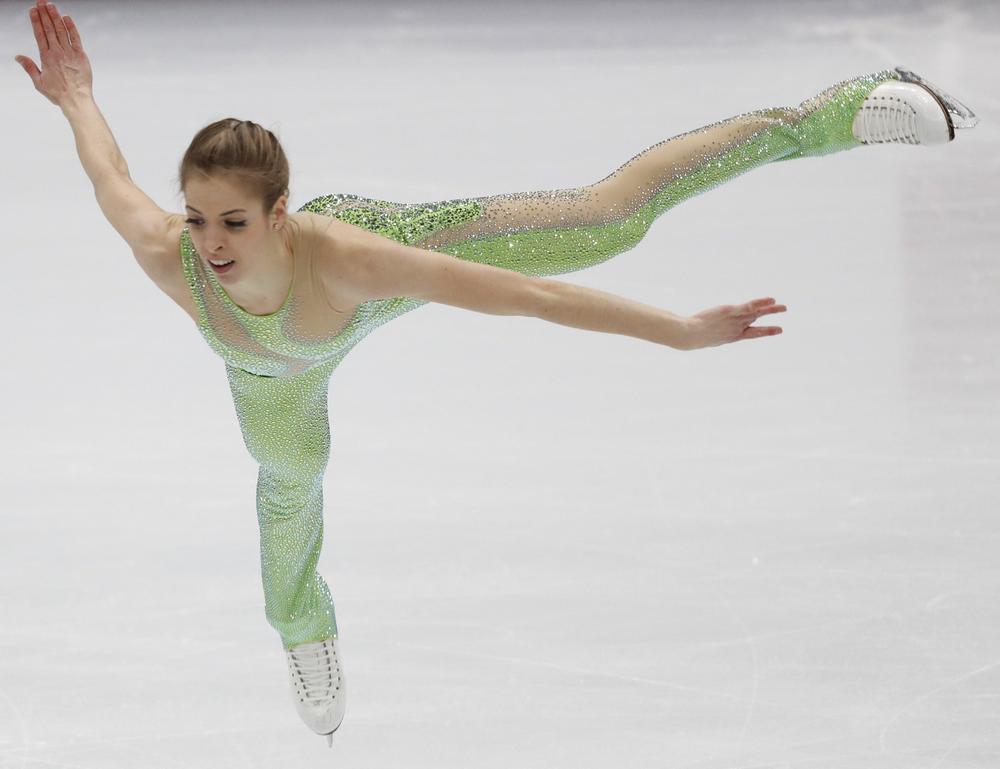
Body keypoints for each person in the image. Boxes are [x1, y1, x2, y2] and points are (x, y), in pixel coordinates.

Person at [15, 0, 978, 748]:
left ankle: (840, 111)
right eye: (198, 218)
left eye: (233, 219)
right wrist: (81, 100)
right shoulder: (170, 254)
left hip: (363, 288)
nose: (211, 242)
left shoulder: (356, 255)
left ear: (278, 213)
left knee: (605, 220)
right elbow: (111, 179)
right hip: (274, 381)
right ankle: (306, 632)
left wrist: (678, 331)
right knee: (288, 487)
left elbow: (527, 295)